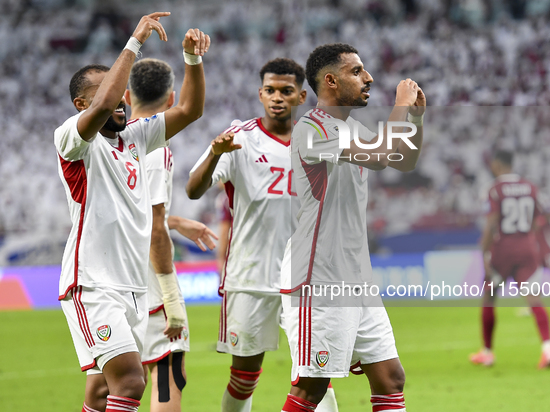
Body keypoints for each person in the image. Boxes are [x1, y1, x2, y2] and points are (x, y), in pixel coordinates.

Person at [55, 13, 210, 412]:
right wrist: (135, 42)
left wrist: (192, 60)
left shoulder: (136, 138)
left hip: (133, 288)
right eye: (109, 89)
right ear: (81, 104)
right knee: (130, 381)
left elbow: (191, 109)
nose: (121, 95)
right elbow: (106, 101)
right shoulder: (74, 138)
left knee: (104, 392)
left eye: (124, 89)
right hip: (92, 283)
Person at [186, 58, 338, 412]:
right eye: (270, 90)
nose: (277, 97)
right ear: (260, 94)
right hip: (250, 276)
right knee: (244, 376)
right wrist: (213, 153)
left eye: (286, 91)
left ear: (301, 96)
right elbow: (194, 189)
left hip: (304, 279)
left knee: (317, 374)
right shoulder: (239, 139)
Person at [279, 43, 425, 412]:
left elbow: (401, 160)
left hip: (356, 276)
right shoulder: (310, 130)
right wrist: (400, 106)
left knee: (391, 378)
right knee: (311, 388)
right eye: (357, 71)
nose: (369, 77)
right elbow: (378, 157)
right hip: (319, 276)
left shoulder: (349, 126)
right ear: (330, 80)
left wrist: (417, 120)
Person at [125, 58, 217, 411]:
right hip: (147, 282)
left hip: (109, 281)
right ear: (170, 97)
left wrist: (177, 222)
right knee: (168, 373)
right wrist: (171, 297)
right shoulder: (154, 147)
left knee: (117, 384)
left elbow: (133, 213)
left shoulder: (109, 142)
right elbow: (153, 223)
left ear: (127, 94)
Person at [470, 150, 550, 369]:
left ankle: (488, 352)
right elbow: (549, 210)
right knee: (533, 298)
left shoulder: (494, 189)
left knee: (489, 297)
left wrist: (484, 252)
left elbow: (491, 222)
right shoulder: (530, 186)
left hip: (503, 249)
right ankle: (548, 348)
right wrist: (533, 229)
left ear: (497, 165)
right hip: (527, 247)